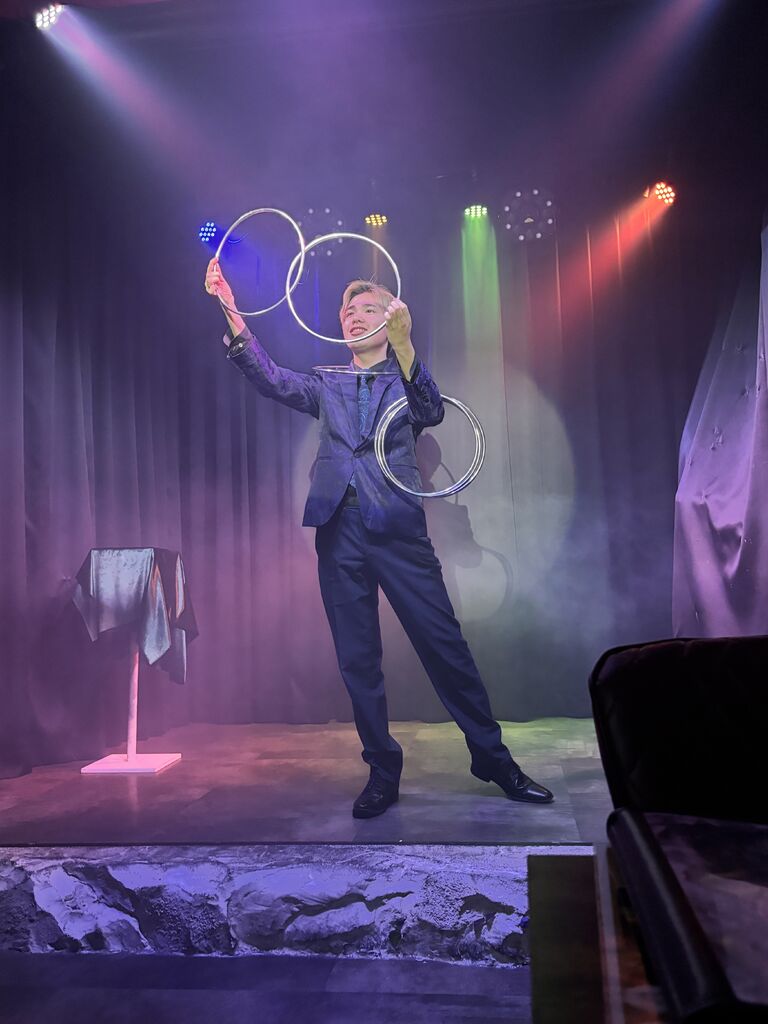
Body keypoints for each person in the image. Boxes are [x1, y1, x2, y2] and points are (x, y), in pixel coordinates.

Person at [205, 256, 554, 817]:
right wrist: (229, 306)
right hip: (338, 532)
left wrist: (407, 345)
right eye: (348, 310)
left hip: (397, 530)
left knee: (445, 649)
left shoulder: (405, 377)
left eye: (368, 308)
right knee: (358, 659)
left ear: (391, 320)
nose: (354, 315)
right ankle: (382, 770)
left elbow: (432, 411)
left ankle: (493, 758)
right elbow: (270, 378)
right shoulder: (326, 382)